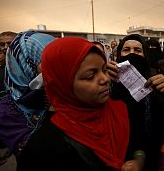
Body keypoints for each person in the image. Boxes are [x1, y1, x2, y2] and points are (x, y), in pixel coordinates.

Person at [17, 37, 130, 171]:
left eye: (104, 70)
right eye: (90, 76)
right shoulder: (45, 146)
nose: (105, 79)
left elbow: (136, 145)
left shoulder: (118, 110)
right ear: (63, 84)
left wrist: (139, 158)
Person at [107, 34, 164, 170]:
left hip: (151, 156)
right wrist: (103, 80)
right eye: (126, 50)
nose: (132, 54)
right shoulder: (108, 82)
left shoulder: (155, 82)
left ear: (145, 55)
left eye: (138, 50)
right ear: (119, 55)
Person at [0, 31, 55, 168]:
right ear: (26, 62)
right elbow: (38, 154)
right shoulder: (6, 111)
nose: (59, 65)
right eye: (49, 60)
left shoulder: (67, 89)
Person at [0, 31, 17, 97]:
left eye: (9, 43)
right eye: (2, 44)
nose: (6, 47)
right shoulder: (0, 70)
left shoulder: (26, 66)